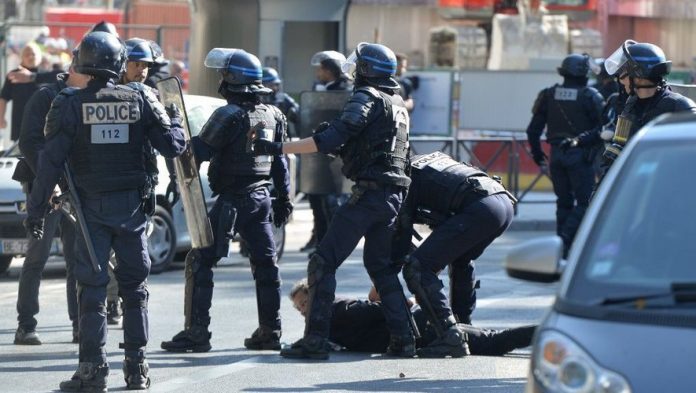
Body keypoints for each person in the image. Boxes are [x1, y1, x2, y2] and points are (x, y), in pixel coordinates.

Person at [24, 31, 186, 391]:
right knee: (134, 289)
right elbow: (173, 146)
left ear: (83, 62)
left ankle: (93, 370)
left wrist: (35, 211)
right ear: (118, 62)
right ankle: (137, 368)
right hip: (132, 210)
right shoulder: (142, 99)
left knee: (92, 290)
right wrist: (174, 116)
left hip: (90, 211)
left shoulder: (68, 103)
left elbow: (49, 164)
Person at [250, 42, 413, 360]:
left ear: (366, 70)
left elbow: (334, 136)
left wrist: (277, 148)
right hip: (393, 195)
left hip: (369, 193)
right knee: (380, 267)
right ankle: (404, 339)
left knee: (322, 261)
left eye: (358, 66)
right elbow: (380, 148)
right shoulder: (396, 102)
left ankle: (315, 340)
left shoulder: (367, 97)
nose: (352, 71)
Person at [160, 48, 292, 353]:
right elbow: (281, 162)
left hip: (233, 200)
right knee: (266, 266)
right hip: (261, 199)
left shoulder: (227, 114)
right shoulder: (273, 114)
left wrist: (176, 126)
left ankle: (197, 333)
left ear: (231, 80)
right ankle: (270, 331)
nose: (219, 79)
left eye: (223, 75)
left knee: (200, 260)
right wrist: (284, 198)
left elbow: (195, 155)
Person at [393, 152, 516, 356]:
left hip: (481, 208)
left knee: (418, 267)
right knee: (461, 259)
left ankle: (449, 336)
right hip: (502, 203)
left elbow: (401, 242)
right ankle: (462, 325)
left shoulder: (403, 177)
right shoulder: (430, 160)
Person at [13, 52, 91, 346]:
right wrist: (50, 183)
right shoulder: (45, 97)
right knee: (37, 256)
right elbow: (29, 142)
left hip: (75, 186)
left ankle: (78, 324)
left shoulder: (88, 97)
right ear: (75, 69)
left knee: (76, 258)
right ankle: (26, 324)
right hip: (43, 184)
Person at [289, 279, 536, 356]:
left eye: (304, 303)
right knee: (494, 341)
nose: (302, 311)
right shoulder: (327, 319)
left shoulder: (339, 309)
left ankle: (551, 332)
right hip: (422, 330)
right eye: (299, 308)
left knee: (495, 341)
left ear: (317, 296)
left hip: (423, 328)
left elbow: (385, 310)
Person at [526, 54, 604, 258]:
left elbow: (533, 131)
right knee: (586, 203)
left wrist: (538, 156)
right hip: (580, 156)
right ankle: (564, 241)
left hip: (556, 156)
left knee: (563, 202)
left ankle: (561, 249)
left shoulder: (548, 94)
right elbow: (604, 128)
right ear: (584, 74)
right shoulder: (590, 96)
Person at [601, 40, 696, 173]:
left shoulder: (681, 107)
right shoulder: (630, 105)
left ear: (638, 76)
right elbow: (619, 144)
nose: (620, 80)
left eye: (623, 73)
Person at [301, 50, 354, 255]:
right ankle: (321, 241)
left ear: (329, 70)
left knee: (331, 202)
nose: (318, 73)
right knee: (317, 198)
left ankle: (332, 244)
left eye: (321, 69)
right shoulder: (321, 89)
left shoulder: (345, 91)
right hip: (319, 153)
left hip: (337, 155)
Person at [0, 42, 60, 142]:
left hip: (43, 125)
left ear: (40, 56)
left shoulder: (46, 73)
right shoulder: (14, 75)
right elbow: (3, 98)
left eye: (34, 54)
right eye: (27, 54)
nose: (31, 57)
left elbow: (61, 75)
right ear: (21, 57)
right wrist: (1, 117)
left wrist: (32, 77)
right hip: (21, 124)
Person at [261, 67, 299, 137]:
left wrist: (294, 111)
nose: (275, 88)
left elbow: (298, 110)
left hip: (281, 137)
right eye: (271, 85)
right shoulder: (255, 99)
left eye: (276, 85)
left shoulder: (283, 98)